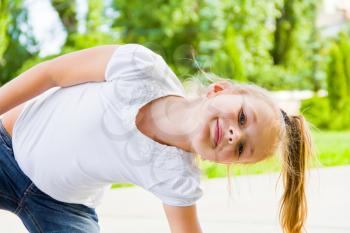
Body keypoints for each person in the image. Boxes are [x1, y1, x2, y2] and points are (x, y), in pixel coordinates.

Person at [0, 43, 312, 233]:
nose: (234, 134)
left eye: (243, 147)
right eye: (243, 118)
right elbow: (51, 73)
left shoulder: (178, 178)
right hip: (9, 146)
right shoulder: (140, 67)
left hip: (62, 206)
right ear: (219, 89)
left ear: (228, 161)